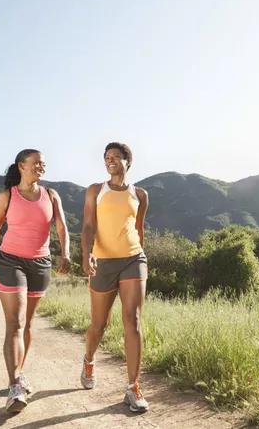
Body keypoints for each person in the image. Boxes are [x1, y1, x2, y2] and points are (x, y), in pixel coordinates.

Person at [0, 149, 71, 413]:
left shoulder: (51, 195)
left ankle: (19, 372)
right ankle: (14, 386)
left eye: (43, 164)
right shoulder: (6, 197)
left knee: (27, 324)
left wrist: (66, 253)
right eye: (36, 163)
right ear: (21, 166)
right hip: (10, 261)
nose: (41, 167)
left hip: (41, 263)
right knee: (15, 323)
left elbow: (61, 226)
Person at [80, 142, 150, 412]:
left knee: (133, 320)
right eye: (106, 157)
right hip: (103, 261)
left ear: (127, 161)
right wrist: (86, 254)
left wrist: (142, 256)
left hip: (133, 259)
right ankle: (89, 360)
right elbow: (88, 225)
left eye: (115, 157)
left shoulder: (140, 194)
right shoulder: (95, 190)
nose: (110, 160)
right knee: (99, 324)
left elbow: (139, 229)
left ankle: (133, 387)